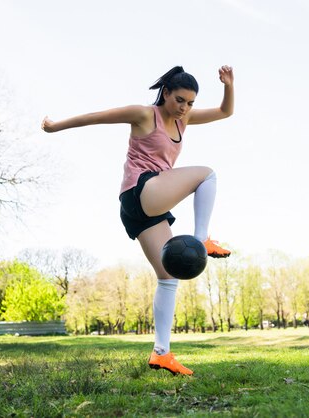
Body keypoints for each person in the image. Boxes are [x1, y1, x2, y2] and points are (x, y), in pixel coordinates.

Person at [41, 65, 234, 376]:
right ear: (166, 93)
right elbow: (96, 117)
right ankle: (202, 238)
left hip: (141, 208)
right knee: (206, 175)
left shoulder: (184, 120)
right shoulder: (145, 115)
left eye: (190, 103)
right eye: (179, 100)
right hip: (142, 189)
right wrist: (56, 125)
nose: (184, 108)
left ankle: (161, 353)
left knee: (168, 276)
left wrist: (229, 84)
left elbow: (226, 112)